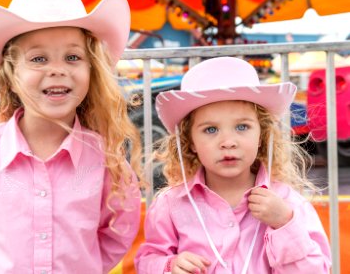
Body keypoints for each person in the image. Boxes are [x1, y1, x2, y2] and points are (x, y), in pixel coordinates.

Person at [0, 0, 143, 273]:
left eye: (73, 57)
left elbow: (119, 229)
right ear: (11, 74)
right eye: (38, 58)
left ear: (91, 70)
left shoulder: (106, 159)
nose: (57, 70)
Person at [135, 57, 331, 273]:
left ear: (261, 136)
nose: (228, 142)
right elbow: (147, 260)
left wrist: (284, 224)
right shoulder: (170, 205)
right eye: (210, 130)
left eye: (242, 127)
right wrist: (168, 266)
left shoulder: (288, 204)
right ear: (190, 142)